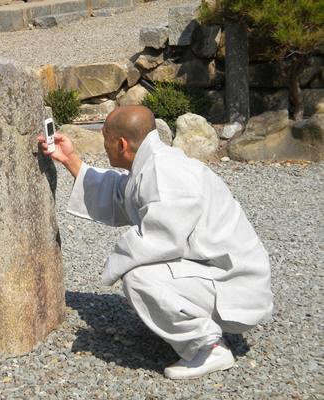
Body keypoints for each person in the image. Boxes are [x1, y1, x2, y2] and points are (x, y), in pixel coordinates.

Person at [38, 105, 273, 380]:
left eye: (105, 140)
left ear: (121, 144)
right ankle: (190, 325)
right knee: (139, 270)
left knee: (139, 277)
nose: (104, 147)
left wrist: (114, 263)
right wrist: (70, 160)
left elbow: (161, 239)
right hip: (220, 273)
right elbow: (121, 193)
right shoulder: (156, 163)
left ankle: (207, 347)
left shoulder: (164, 174)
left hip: (235, 283)